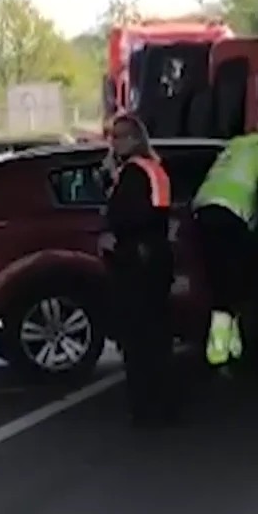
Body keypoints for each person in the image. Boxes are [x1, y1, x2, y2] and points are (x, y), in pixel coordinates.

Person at [100, 113, 179, 427]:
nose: (113, 142)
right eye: (112, 136)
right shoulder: (154, 168)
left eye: (119, 136)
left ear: (135, 139)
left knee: (138, 341)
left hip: (136, 264)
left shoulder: (132, 173)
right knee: (157, 338)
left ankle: (145, 409)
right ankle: (163, 405)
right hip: (155, 261)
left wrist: (111, 237)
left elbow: (126, 217)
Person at [192, 128, 258, 369]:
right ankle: (219, 351)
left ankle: (233, 344)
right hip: (230, 217)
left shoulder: (233, 148)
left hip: (203, 211)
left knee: (222, 279)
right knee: (230, 283)